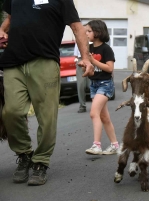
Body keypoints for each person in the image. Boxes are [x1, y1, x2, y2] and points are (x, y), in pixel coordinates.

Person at [0, 0, 94, 186]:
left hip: (44, 61)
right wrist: (2, 30)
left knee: (47, 116)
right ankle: (25, 154)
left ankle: (41, 162)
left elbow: (77, 27)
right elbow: (10, 19)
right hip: (13, 61)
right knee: (11, 112)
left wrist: (85, 58)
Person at [84, 20, 119, 155]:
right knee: (104, 118)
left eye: (89, 31)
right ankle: (115, 145)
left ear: (97, 32)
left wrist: (94, 61)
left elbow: (110, 69)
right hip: (94, 85)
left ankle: (96, 145)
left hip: (105, 85)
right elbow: (92, 70)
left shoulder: (106, 49)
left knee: (94, 113)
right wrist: (86, 65)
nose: (86, 33)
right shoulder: (90, 48)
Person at [74, 42, 90, 113]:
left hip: (92, 58)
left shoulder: (93, 35)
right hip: (81, 60)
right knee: (80, 85)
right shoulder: (78, 38)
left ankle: (98, 105)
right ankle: (82, 106)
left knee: (92, 84)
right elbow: (76, 55)